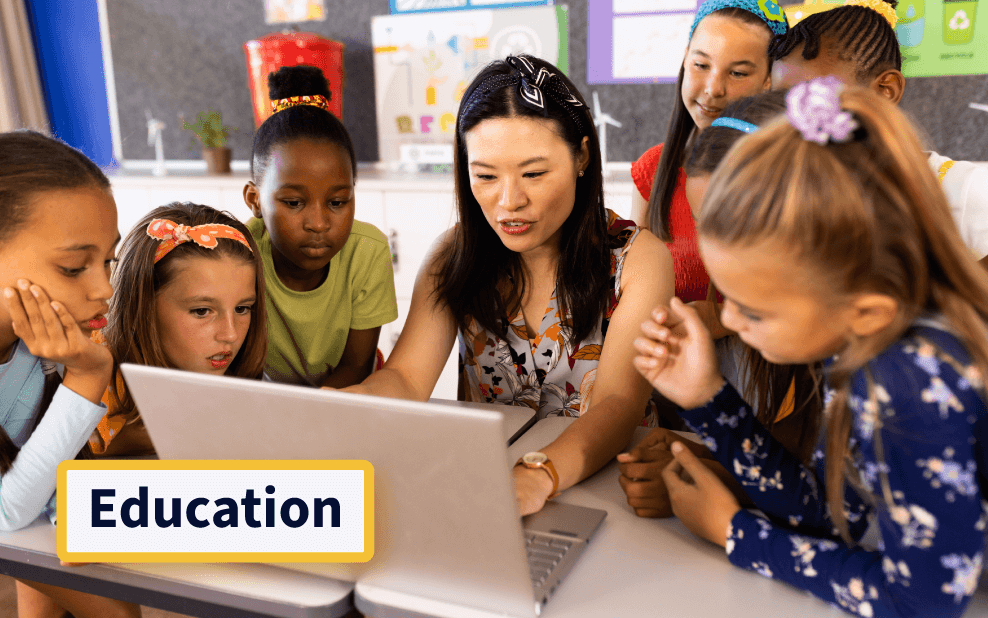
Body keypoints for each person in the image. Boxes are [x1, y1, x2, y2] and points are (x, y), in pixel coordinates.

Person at [635, 78, 988, 617]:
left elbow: (922, 604)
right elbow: (833, 511)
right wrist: (707, 395)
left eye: (753, 309)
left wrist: (739, 535)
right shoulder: (863, 332)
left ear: (864, 308)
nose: (725, 317)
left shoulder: (909, 381)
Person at [346, 55, 673, 515]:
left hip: (608, 489)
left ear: (581, 156)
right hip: (486, 487)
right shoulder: (452, 257)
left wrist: (537, 475)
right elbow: (405, 378)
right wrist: (343, 407)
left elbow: (617, 403)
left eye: (534, 174)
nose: (509, 202)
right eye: (484, 176)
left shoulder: (638, 260)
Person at [619, 91, 824, 519]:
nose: (724, 315)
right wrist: (697, 444)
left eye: (732, 227)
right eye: (703, 228)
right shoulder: (799, 323)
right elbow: (813, 495)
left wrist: (734, 531)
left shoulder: (901, 362)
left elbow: (898, 570)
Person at [0, 130, 138, 617]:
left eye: (107, 260)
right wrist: (87, 377)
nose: (104, 288)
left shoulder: (32, 345)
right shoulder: (67, 356)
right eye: (76, 267)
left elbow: (44, 487)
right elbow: (6, 515)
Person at [770, 0, 988, 266]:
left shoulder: (964, 191)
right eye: (783, 104)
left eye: (816, 99)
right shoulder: (790, 200)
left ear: (886, 90)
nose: (796, 120)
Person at [244, 65, 398, 387]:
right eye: (294, 203)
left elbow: (357, 365)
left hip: (349, 395)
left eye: (338, 203)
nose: (318, 224)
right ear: (255, 200)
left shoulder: (367, 251)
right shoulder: (239, 255)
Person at [630, 0, 788, 302]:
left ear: (769, 80)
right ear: (685, 60)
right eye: (701, 65)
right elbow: (631, 288)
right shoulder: (652, 170)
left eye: (738, 73)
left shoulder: (786, 171)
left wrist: (716, 323)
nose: (714, 88)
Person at [89, 202, 268, 457]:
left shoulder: (235, 391)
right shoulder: (86, 371)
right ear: (141, 306)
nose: (231, 334)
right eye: (202, 311)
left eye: (243, 309)